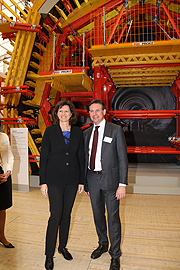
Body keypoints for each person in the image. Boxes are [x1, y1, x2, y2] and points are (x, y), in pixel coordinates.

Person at [40, 100, 84, 270]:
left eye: (66, 111)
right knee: (55, 215)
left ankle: (62, 247)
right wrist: (43, 181)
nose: (63, 114)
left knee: (66, 215)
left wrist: (81, 181)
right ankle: (49, 254)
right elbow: (44, 157)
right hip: (54, 180)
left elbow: (81, 158)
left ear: (71, 114)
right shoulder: (50, 131)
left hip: (72, 180)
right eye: (60, 111)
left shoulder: (78, 133)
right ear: (56, 114)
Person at [84, 100, 128, 270]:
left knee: (113, 218)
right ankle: (103, 244)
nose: (94, 114)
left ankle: (115, 254)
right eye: (91, 111)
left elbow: (123, 159)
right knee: (97, 215)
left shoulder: (115, 130)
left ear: (103, 111)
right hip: (92, 179)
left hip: (111, 180)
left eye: (97, 110)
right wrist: (86, 183)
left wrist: (122, 184)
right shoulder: (86, 133)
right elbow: (84, 160)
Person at [0, 119, 14, 249]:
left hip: (4, 174)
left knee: (2, 207)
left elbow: (9, 155)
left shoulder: (3, 136)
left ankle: (1, 236)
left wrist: (8, 170)